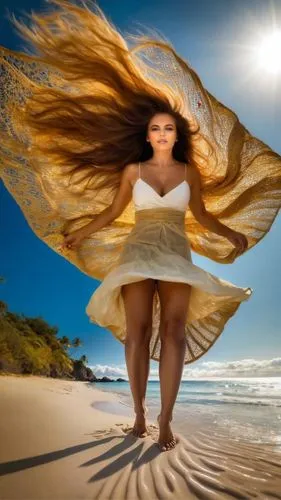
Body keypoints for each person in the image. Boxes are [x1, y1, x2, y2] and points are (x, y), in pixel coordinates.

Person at [0, 0, 280, 452]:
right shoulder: (132, 172)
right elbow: (112, 214)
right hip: (138, 250)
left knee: (174, 331)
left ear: (176, 133)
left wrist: (229, 234)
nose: (163, 134)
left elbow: (203, 216)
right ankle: (138, 413)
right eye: (156, 129)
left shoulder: (190, 174)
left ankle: (166, 419)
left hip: (175, 251)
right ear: (147, 135)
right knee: (138, 335)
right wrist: (82, 232)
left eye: (169, 128)